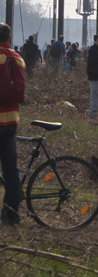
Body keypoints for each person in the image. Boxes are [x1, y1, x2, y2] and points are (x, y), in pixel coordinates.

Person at [0, 22, 25, 225]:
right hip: (11, 121)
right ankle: (11, 213)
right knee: (10, 169)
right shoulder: (18, 59)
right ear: (8, 37)